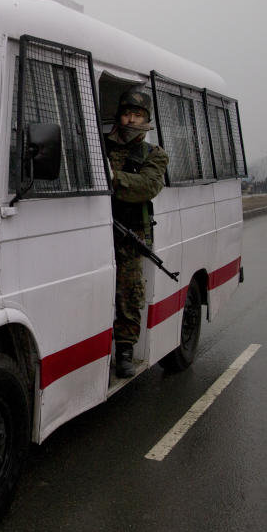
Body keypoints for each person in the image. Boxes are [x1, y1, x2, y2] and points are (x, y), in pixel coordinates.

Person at [105, 89, 169, 378]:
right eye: (127, 113)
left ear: (147, 120)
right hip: (98, 228)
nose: (130, 120)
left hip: (130, 234)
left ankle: (125, 350)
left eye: (137, 115)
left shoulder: (154, 155)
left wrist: (113, 177)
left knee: (129, 293)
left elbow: (147, 186)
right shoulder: (100, 145)